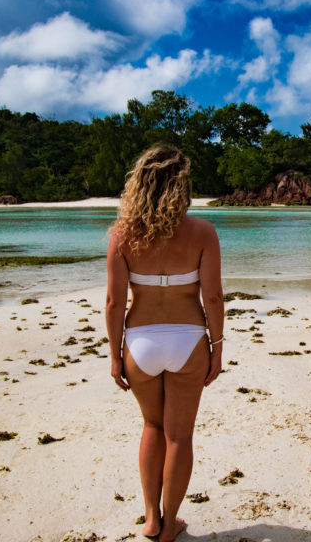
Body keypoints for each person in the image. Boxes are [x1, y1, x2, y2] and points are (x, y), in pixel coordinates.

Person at [106, 144, 224, 542]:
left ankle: (152, 520)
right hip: (189, 340)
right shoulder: (203, 232)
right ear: (182, 187)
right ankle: (171, 522)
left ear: (139, 185)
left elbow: (113, 302)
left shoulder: (122, 235)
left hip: (139, 343)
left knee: (152, 426)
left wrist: (113, 355)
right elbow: (214, 298)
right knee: (179, 436)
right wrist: (218, 348)